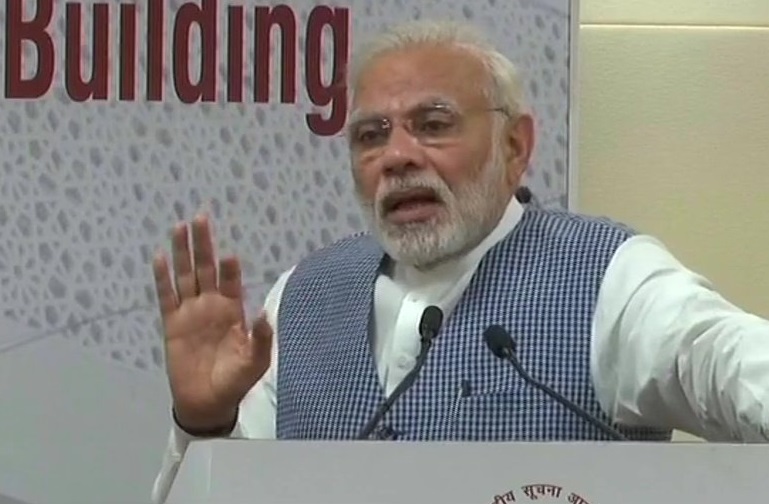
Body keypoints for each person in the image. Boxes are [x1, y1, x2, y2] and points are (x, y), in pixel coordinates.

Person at [149, 19, 769, 504]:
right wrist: (204, 423)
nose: (397, 155)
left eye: (433, 124)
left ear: (515, 146)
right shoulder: (302, 297)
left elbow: (729, 362)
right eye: (371, 135)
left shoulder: (611, 278)